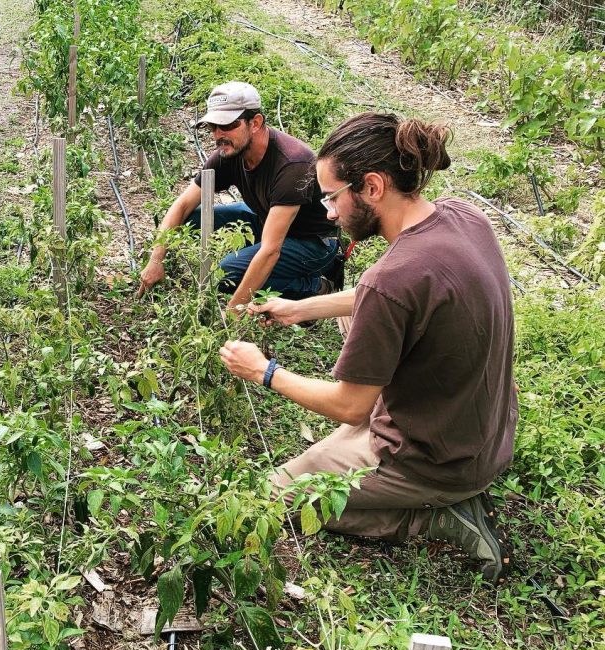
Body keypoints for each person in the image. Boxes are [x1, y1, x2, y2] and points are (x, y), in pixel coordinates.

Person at [219, 113, 517, 584]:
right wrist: (301, 308)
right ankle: (424, 489)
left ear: (373, 187)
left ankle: (433, 517)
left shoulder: (391, 281)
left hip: (432, 458)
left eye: (333, 197)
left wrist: (263, 370)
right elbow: (394, 300)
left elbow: (350, 405)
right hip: (483, 431)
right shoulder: (463, 217)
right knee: (350, 312)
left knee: (271, 499)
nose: (329, 212)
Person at [137, 81, 341, 307]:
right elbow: (182, 205)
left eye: (227, 125)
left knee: (226, 276)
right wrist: (156, 260)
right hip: (266, 218)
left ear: (255, 123)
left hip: (312, 242)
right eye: (213, 127)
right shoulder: (229, 152)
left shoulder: (292, 164)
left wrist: (234, 310)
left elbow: (271, 250)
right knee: (190, 219)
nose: (218, 135)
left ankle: (315, 285)